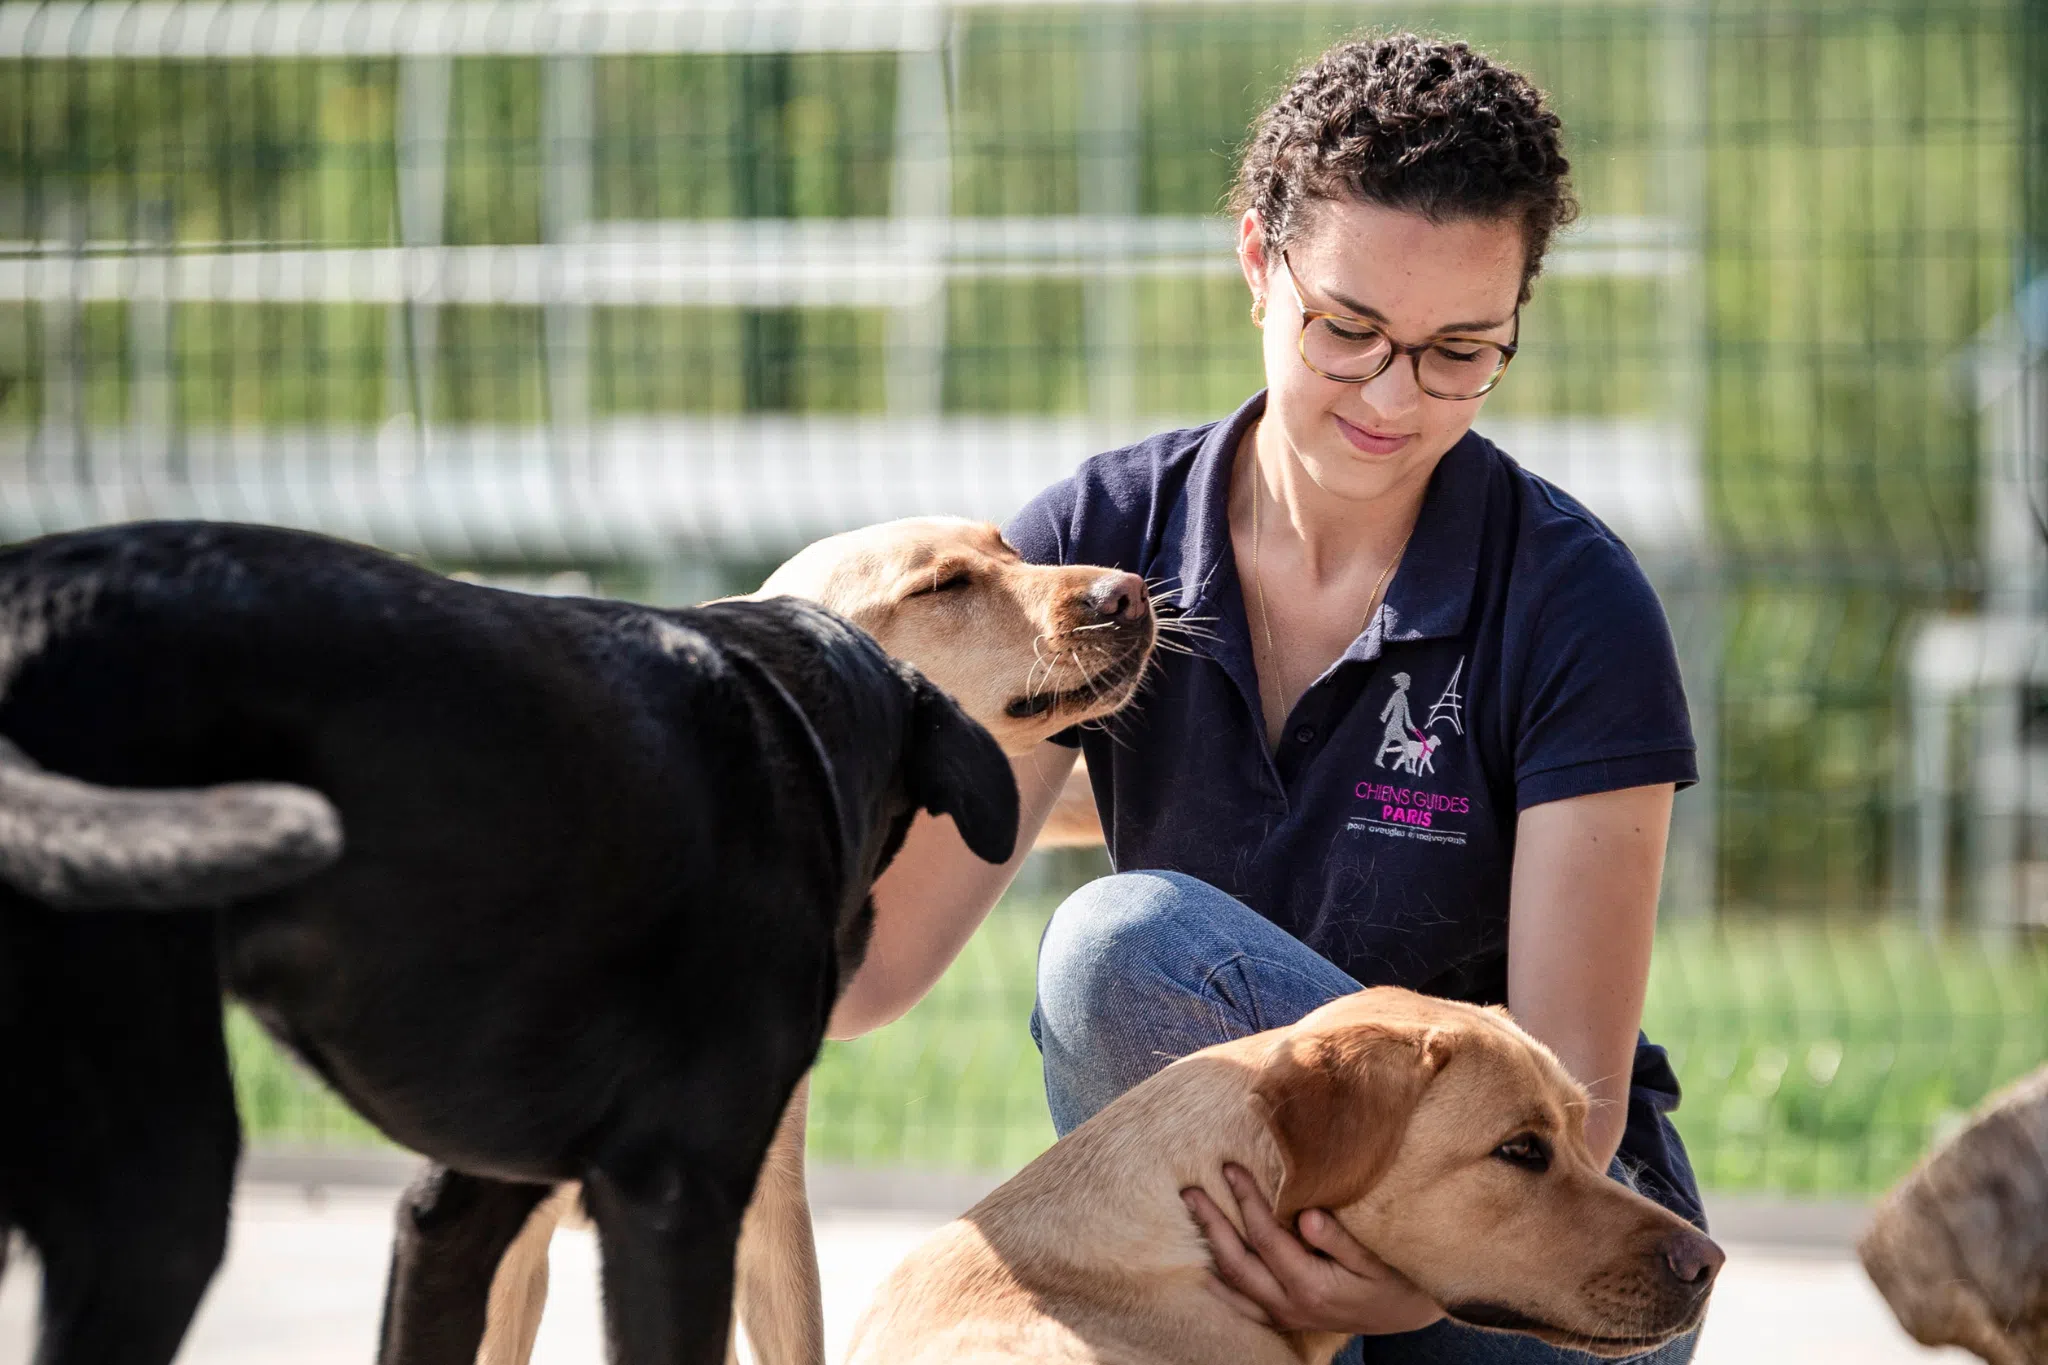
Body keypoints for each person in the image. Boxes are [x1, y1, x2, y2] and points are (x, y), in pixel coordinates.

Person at [830, 32, 1705, 1365]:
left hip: (1538, 1274)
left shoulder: (1575, 603)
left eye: (1460, 350)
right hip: (1241, 1258)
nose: (1393, 397)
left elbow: (1572, 1102)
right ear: (1258, 265)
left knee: (1129, 938)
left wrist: (1389, 1292)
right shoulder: (1102, 550)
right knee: (1118, 951)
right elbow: (871, 972)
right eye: (1347, 330)